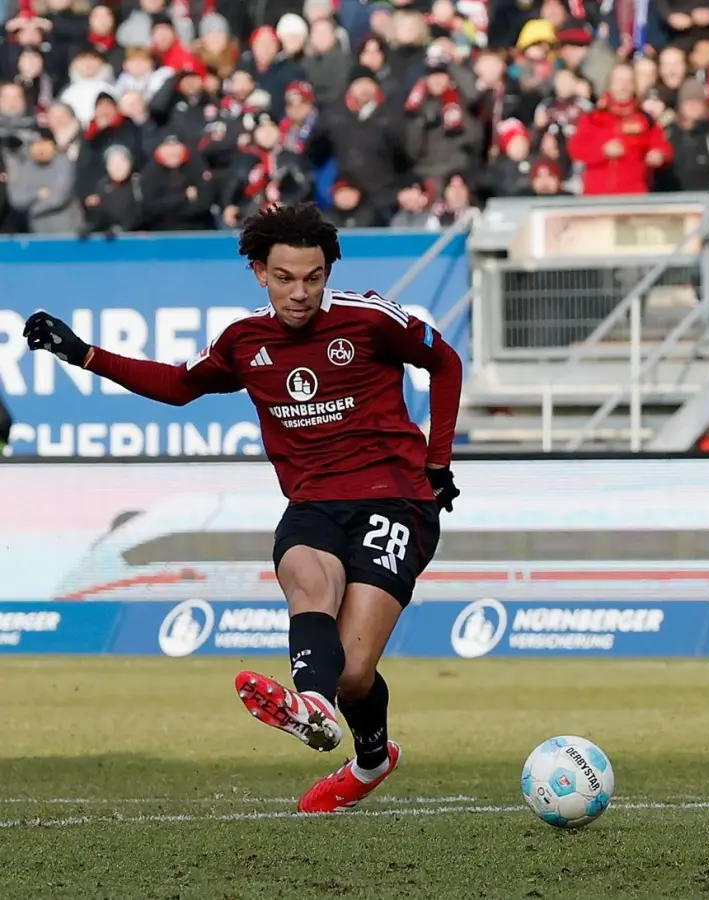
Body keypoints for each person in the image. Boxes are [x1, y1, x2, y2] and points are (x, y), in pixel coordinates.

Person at [21, 203, 464, 815]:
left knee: (355, 674)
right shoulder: (242, 340)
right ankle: (313, 708)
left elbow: (445, 361)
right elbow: (179, 386)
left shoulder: (371, 320)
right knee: (306, 579)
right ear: (260, 272)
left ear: (328, 270)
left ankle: (368, 757)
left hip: (396, 498)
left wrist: (438, 464)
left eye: (312, 277)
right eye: (285, 278)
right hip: (312, 504)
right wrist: (85, 355)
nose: (300, 292)